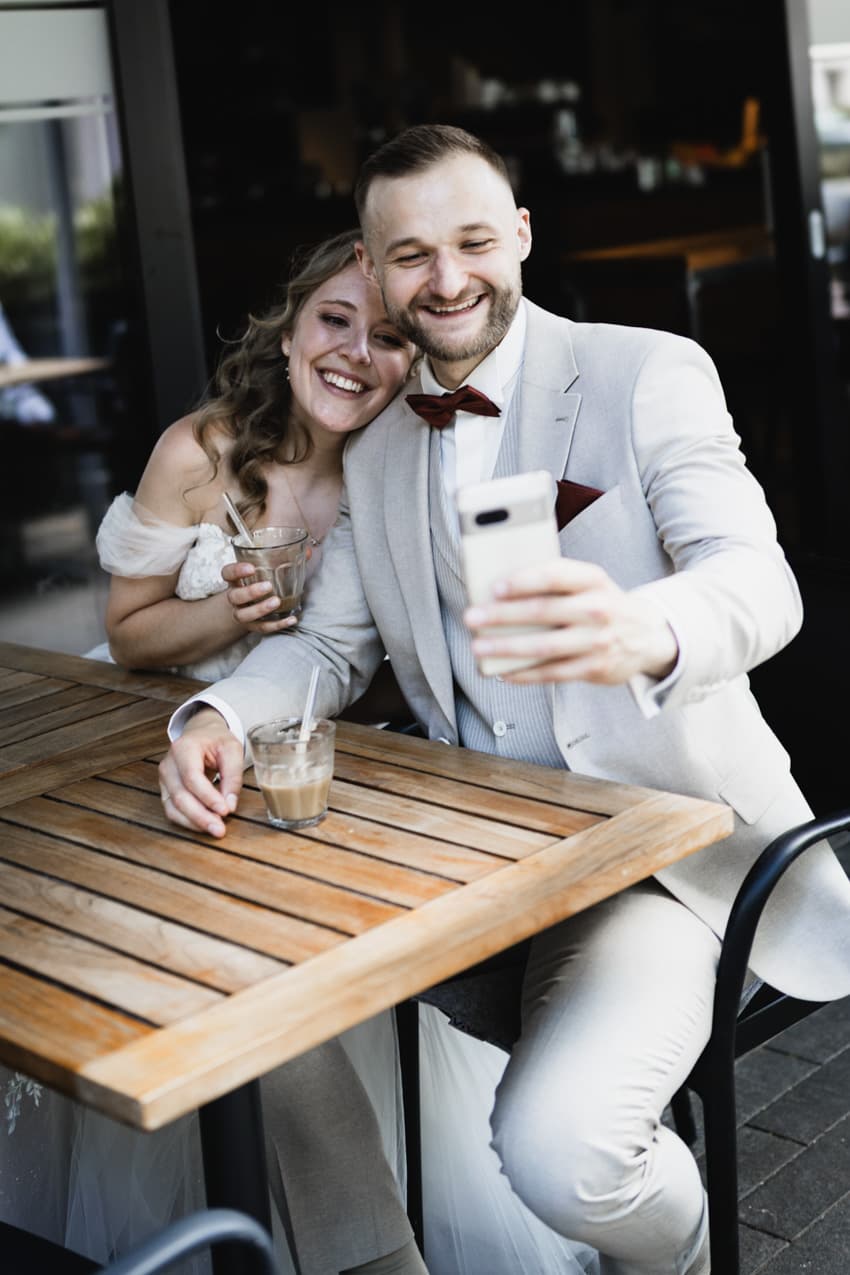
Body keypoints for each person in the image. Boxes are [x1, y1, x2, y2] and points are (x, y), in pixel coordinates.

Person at [158, 123, 850, 1275]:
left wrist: (650, 623)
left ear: (520, 236)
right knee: (241, 974)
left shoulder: (646, 371)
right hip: (463, 862)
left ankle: (679, 1260)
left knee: (557, 1148)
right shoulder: (375, 451)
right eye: (410, 254)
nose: (447, 279)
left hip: (655, 865)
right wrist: (216, 718)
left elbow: (758, 580)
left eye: (473, 241)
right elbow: (325, 649)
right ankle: (372, 1259)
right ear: (374, 271)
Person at [68, 225, 596, 1275]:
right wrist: (229, 617)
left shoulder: (402, 470)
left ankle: (361, 1239)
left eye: (388, 337)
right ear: (291, 327)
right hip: (169, 747)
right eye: (333, 320)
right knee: (205, 964)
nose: (354, 352)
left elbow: (379, 660)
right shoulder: (203, 451)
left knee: (310, 966)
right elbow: (129, 637)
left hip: (323, 764)